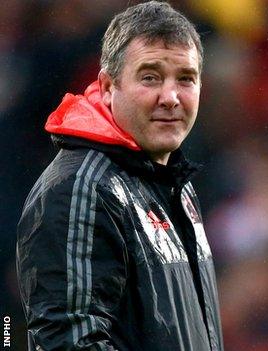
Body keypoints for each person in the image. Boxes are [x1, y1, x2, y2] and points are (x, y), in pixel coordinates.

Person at [16, 2, 224, 350]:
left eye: (185, 78)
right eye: (150, 77)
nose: (170, 97)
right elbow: (71, 342)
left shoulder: (174, 183)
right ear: (108, 86)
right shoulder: (80, 189)